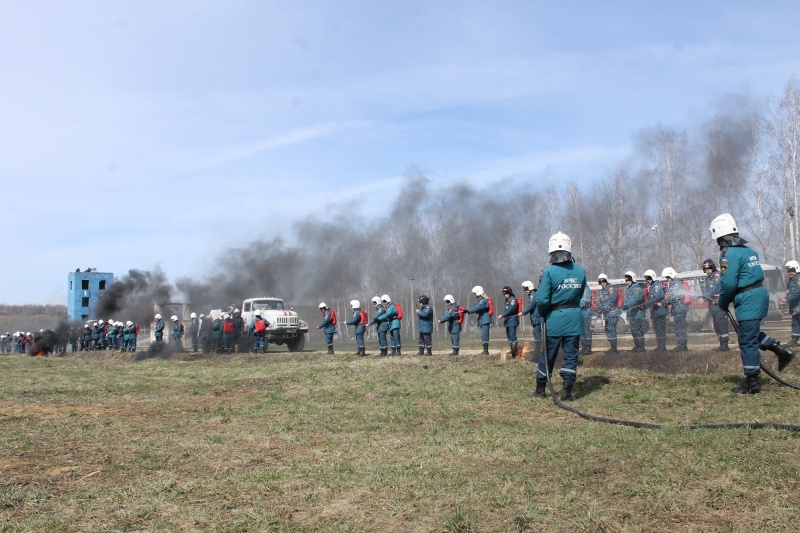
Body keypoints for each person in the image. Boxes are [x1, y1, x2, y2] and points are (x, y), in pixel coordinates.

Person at [711, 213, 795, 393]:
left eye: (717, 240)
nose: (717, 244)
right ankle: (780, 351)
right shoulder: (749, 251)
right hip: (758, 294)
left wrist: (723, 302)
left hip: (747, 298)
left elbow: (728, 283)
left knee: (746, 340)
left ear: (721, 237)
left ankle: (752, 383)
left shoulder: (729, 254)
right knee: (749, 332)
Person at [533, 231, 587, 401]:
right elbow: (580, 294)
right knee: (571, 355)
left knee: (548, 355)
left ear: (551, 252)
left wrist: (543, 314)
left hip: (554, 319)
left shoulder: (548, 272)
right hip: (574, 318)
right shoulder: (580, 271)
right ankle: (567, 392)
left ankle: (540, 389)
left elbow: (541, 299)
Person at [703, 259, 730, 351]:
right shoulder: (709, 278)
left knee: (721, 323)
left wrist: (704, 297)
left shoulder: (717, 275)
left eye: (708, 269)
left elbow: (715, 288)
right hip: (712, 303)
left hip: (718, 302)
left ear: (712, 267)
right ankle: (721, 344)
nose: (706, 271)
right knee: (716, 325)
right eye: (705, 269)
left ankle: (725, 345)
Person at [662, 267, 689, 351]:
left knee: (679, 328)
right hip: (678, 308)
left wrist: (664, 302)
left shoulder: (676, 284)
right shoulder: (675, 283)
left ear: (671, 276)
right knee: (680, 327)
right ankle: (682, 345)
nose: (667, 279)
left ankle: (681, 346)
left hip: (679, 308)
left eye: (667, 277)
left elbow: (673, 296)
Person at [642, 269, 668, 352]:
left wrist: (645, 304)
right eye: (646, 278)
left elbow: (656, 297)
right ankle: (660, 346)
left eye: (648, 278)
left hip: (660, 311)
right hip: (656, 311)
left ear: (652, 277)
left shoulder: (657, 286)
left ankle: (662, 347)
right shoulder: (652, 286)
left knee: (660, 330)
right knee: (657, 329)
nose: (647, 280)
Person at [595, 274, 620, 354]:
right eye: (600, 281)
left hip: (612, 313)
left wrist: (603, 308)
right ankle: (612, 347)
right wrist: (598, 307)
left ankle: (614, 349)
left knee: (611, 330)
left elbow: (612, 300)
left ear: (606, 280)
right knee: (608, 330)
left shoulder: (611, 288)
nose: (602, 283)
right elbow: (602, 301)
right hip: (607, 314)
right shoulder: (602, 290)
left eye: (603, 281)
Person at [622, 271, 645, 352]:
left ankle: (641, 347)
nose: (627, 282)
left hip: (637, 313)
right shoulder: (629, 289)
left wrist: (626, 305)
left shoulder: (636, 288)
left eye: (628, 280)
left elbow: (635, 299)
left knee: (637, 330)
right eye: (626, 280)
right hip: (632, 313)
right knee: (633, 330)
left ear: (632, 279)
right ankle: (637, 345)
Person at [465, 285, 492, 355]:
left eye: (475, 293)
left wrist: (468, 310)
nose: (475, 295)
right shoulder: (481, 299)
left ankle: (486, 351)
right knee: (483, 335)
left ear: (478, 292)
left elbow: (478, 307)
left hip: (485, 319)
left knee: (485, 334)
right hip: (483, 319)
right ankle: (485, 350)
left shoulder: (482, 300)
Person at [780, 260, 800, 346]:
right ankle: (794, 340)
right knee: (795, 322)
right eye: (788, 271)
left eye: (791, 270)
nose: (789, 273)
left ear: (796, 269)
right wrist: (788, 291)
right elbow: (793, 289)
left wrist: (787, 299)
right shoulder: (792, 279)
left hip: (798, 304)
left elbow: (797, 291)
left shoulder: (798, 278)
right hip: (795, 305)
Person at [498, 286, 520, 358]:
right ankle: (512, 350)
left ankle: (514, 354)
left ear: (510, 292)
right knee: (509, 336)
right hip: (507, 321)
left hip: (512, 320)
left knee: (512, 336)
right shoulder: (507, 300)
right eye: (504, 294)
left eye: (506, 293)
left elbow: (511, 309)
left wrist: (502, 315)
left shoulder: (513, 300)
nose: (505, 295)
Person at [521, 280, 541, 358]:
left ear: (530, 287)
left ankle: (539, 349)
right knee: (536, 334)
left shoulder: (533, 295)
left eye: (526, 289)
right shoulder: (531, 295)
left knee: (537, 334)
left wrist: (523, 312)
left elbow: (531, 306)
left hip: (537, 318)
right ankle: (538, 348)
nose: (525, 291)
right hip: (534, 318)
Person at [579, 285, 593, 356]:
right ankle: (583, 346)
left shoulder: (586, 289)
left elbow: (584, 300)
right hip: (579, 312)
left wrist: (576, 305)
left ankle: (588, 347)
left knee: (586, 330)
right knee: (581, 330)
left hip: (585, 312)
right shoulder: (578, 288)